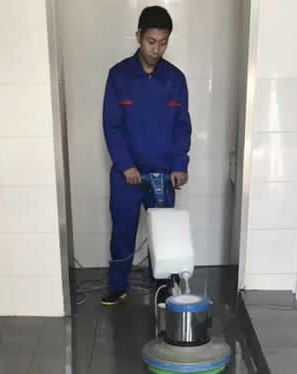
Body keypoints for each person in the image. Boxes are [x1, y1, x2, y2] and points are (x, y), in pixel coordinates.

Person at [101, 5, 192, 306]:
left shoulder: (175, 79)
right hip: (128, 175)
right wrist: (126, 165)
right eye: (151, 41)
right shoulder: (119, 76)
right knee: (123, 230)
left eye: (163, 43)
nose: (156, 49)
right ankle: (118, 285)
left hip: (163, 174)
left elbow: (182, 127)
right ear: (139, 36)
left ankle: (162, 286)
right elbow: (112, 125)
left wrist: (179, 165)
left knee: (163, 234)